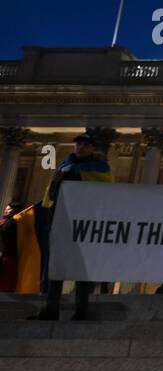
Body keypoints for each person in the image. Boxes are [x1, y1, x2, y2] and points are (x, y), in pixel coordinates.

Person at [30, 133, 113, 320]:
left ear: (92, 148)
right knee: (55, 265)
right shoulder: (64, 165)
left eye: (85, 144)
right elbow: (51, 195)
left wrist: (74, 176)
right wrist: (57, 181)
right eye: (78, 144)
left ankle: (81, 309)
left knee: (80, 267)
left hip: (84, 222)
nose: (81, 147)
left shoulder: (100, 168)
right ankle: (52, 307)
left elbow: (104, 193)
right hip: (61, 220)